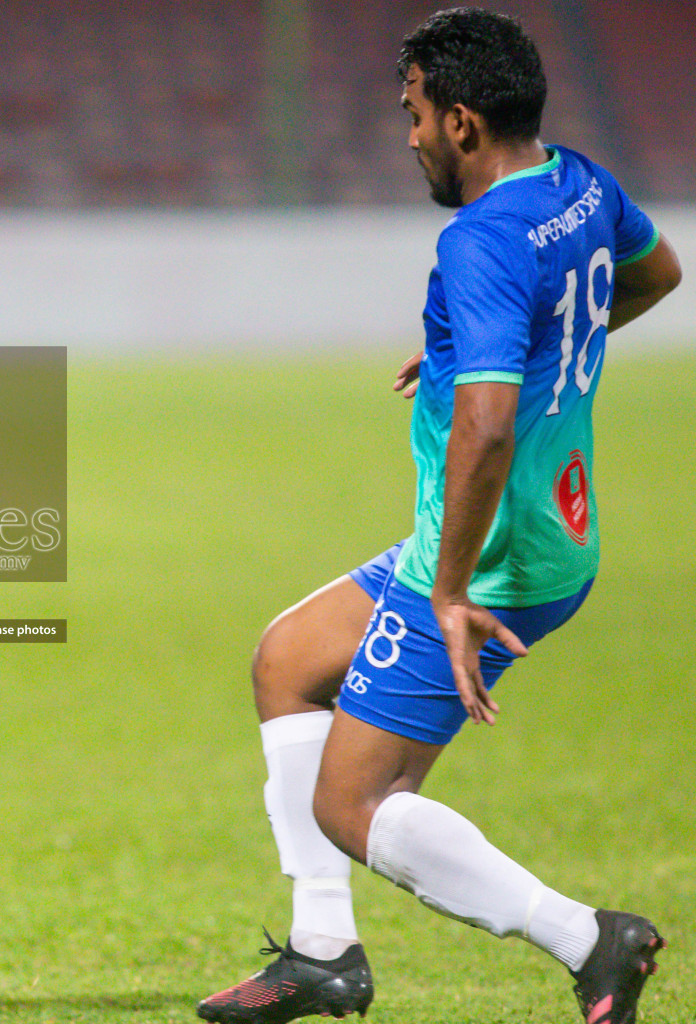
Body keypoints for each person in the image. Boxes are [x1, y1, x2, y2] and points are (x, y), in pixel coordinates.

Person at [195, 9, 681, 1024]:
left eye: (413, 114)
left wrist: (449, 587)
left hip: (486, 560)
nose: (408, 133)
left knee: (352, 803)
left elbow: (490, 427)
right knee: (288, 658)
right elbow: (655, 273)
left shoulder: (481, 238)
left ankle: (591, 940)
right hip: (548, 531)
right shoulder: (577, 181)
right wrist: (491, 352)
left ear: (461, 121)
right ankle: (323, 952)